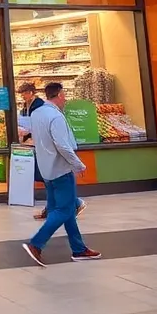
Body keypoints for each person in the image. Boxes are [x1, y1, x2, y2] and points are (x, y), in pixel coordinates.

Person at [21, 82, 100, 267]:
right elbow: (62, 145)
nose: (65, 99)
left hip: (46, 168)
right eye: (64, 95)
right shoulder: (55, 117)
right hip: (61, 169)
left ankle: (79, 249)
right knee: (64, 210)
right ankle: (36, 244)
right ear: (58, 95)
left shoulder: (37, 113)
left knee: (68, 210)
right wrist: (78, 165)